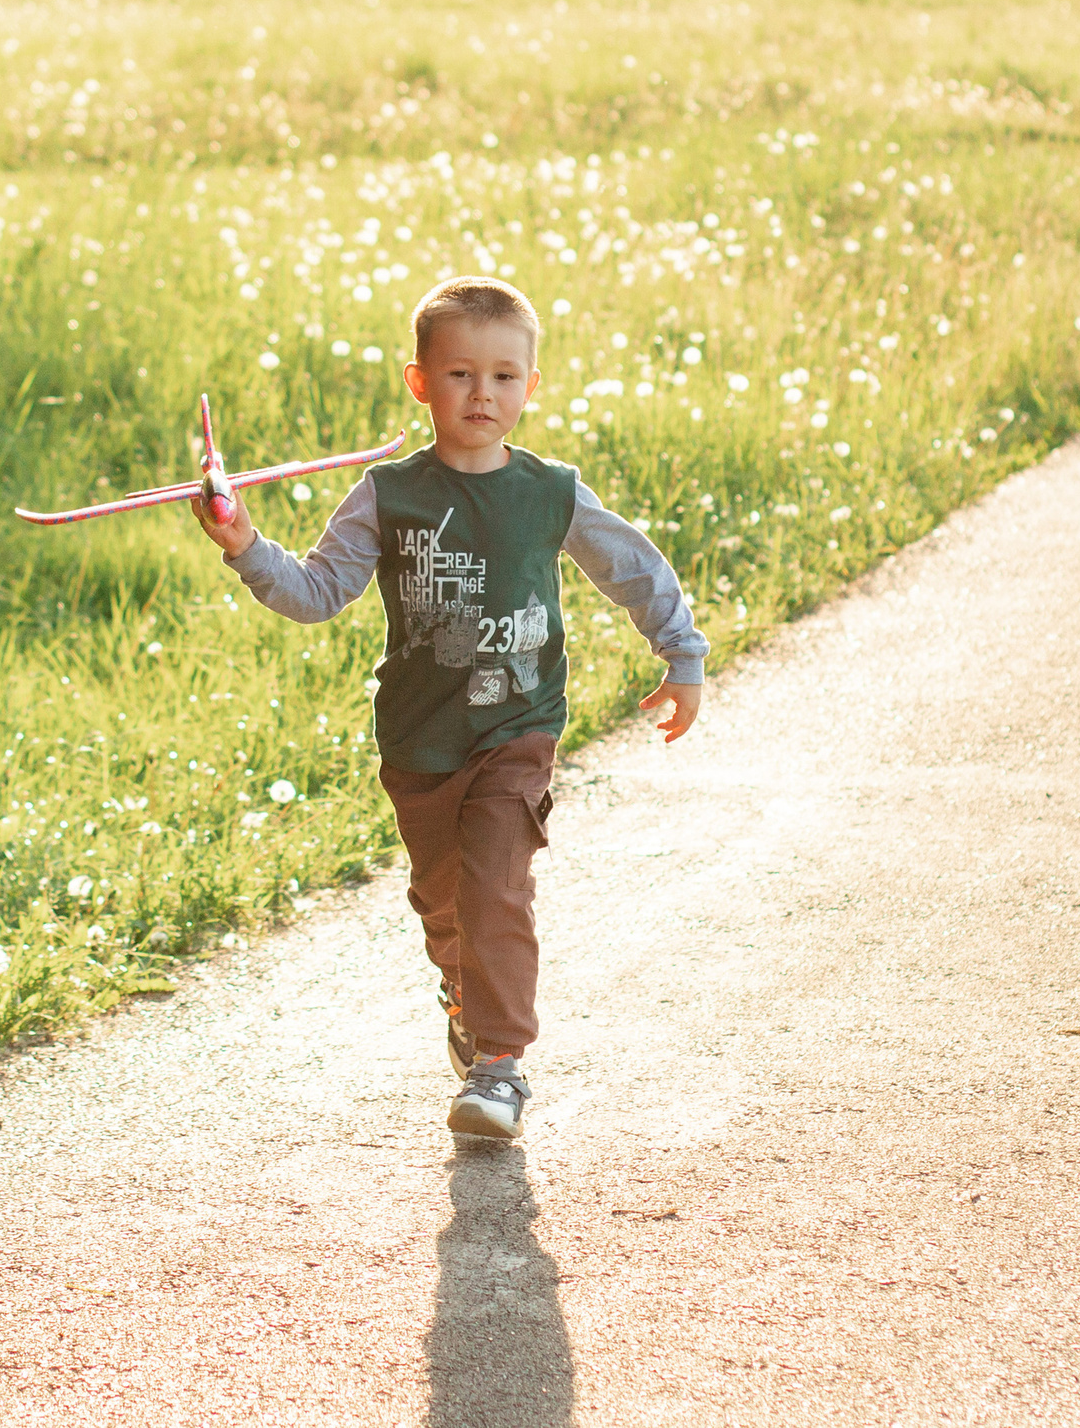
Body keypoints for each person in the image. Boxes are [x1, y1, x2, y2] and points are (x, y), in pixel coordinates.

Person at [191, 275, 706, 1141]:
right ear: (420, 382)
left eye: (504, 376)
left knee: (496, 885)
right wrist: (243, 542)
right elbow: (316, 592)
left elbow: (632, 567)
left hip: (518, 727)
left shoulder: (550, 491)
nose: (483, 393)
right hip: (421, 737)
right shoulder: (388, 494)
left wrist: (681, 653)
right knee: (445, 902)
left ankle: (500, 1066)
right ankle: (465, 993)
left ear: (531, 385)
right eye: (461, 374)